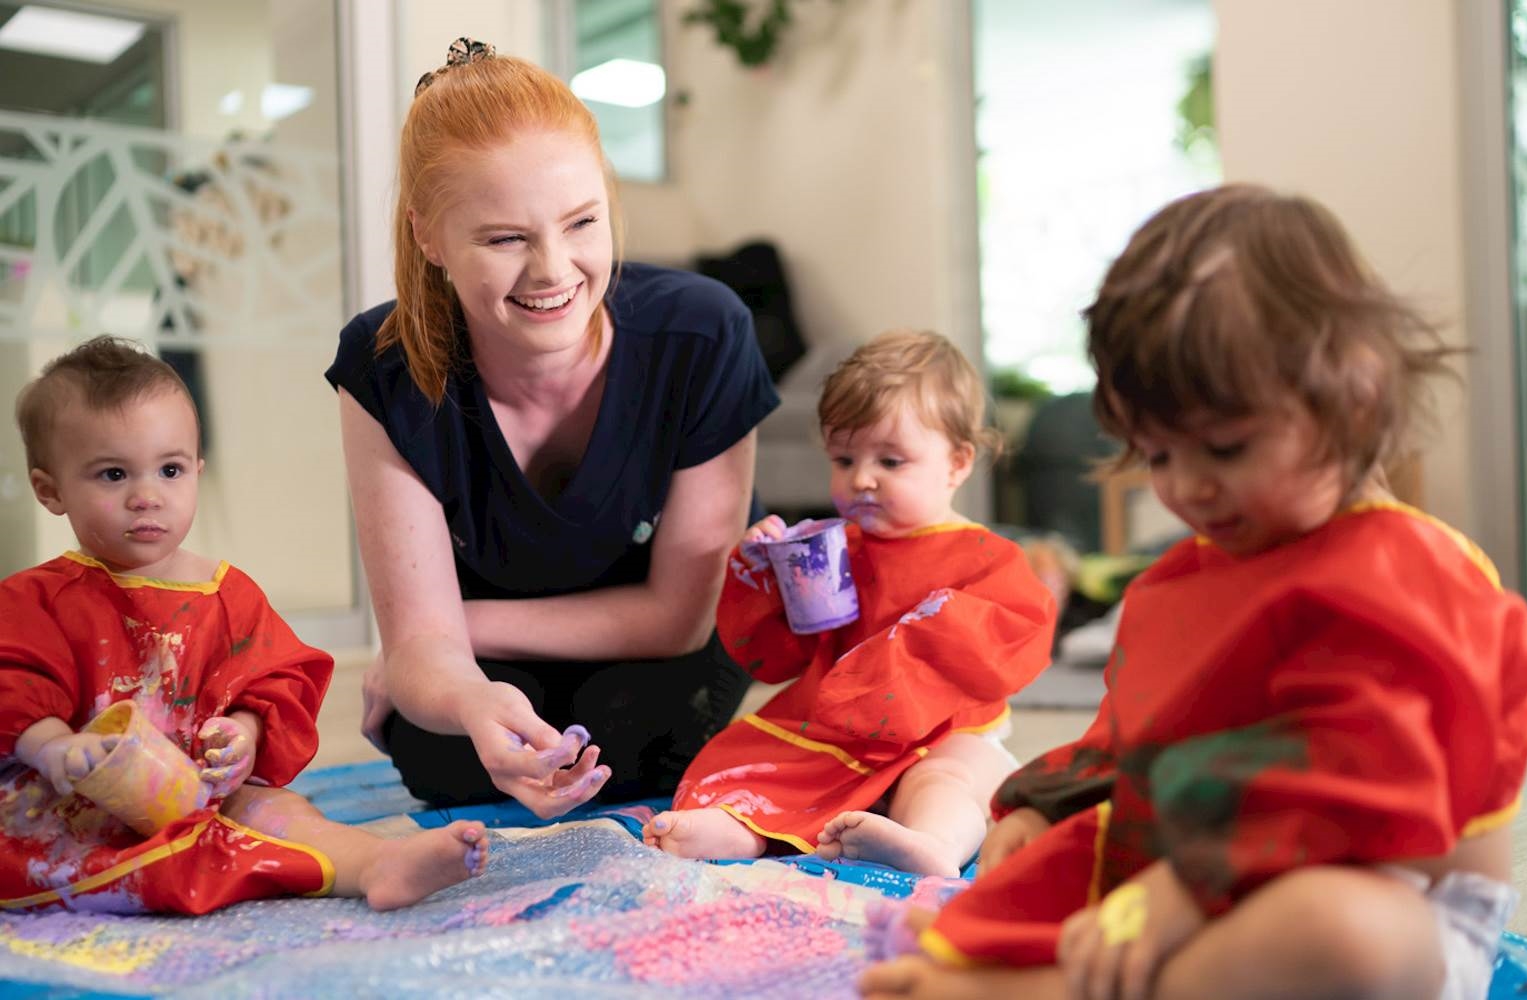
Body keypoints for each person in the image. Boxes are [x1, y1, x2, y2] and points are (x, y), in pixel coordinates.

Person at [858, 185, 1527, 1000]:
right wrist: (1043, 810)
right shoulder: (1183, 578)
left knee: (1341, 935)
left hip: (1399, 896)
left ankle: (1054, 990)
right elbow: (1136, 742)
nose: (1188, 488)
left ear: (1357, 393)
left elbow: (1369, 771)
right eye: (1158, 456)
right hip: (1207, 863)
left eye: (1225, 448)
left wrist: (1192, 885)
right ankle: (1038, 957)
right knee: (1068, 851)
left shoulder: (1413, 571)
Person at [325, 39, 778, 816]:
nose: (553, 271)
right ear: (428, 236)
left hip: (658, 641)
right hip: (495, 656)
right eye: (506, 238)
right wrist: (459, 692)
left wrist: (438, 630)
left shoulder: (703, 333)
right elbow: (430, 655)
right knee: (446, 755)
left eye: (580, 223)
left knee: (660, 733)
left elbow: (676, 617)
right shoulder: (385, 366)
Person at [0, 337, 489, 914]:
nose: (147, 496)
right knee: (159, 865)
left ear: (196, 471)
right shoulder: (39, 599)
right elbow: (14, 682)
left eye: (170, 469)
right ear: (50, 490)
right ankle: (222, 867)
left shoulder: (224, 594)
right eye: (112, 475)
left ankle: (374, 863)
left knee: (282, 812)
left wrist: (243, 734)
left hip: (193, 795)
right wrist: (55, 746)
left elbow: (272, 682)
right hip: (71, 814)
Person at [644, 331, 1057, 876]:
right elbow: (779, 660)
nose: (862, 479)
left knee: (949, 782)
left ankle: (930, 844)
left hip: (945, 736)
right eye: (844, 458)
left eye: (890, 461)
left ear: (957, 464)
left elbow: (1011, 643)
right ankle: (739, 831)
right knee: (750, 759)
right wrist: (764, 577)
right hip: (836, 738)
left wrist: (925, 628)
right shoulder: (834, 550)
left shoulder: (988, 559)